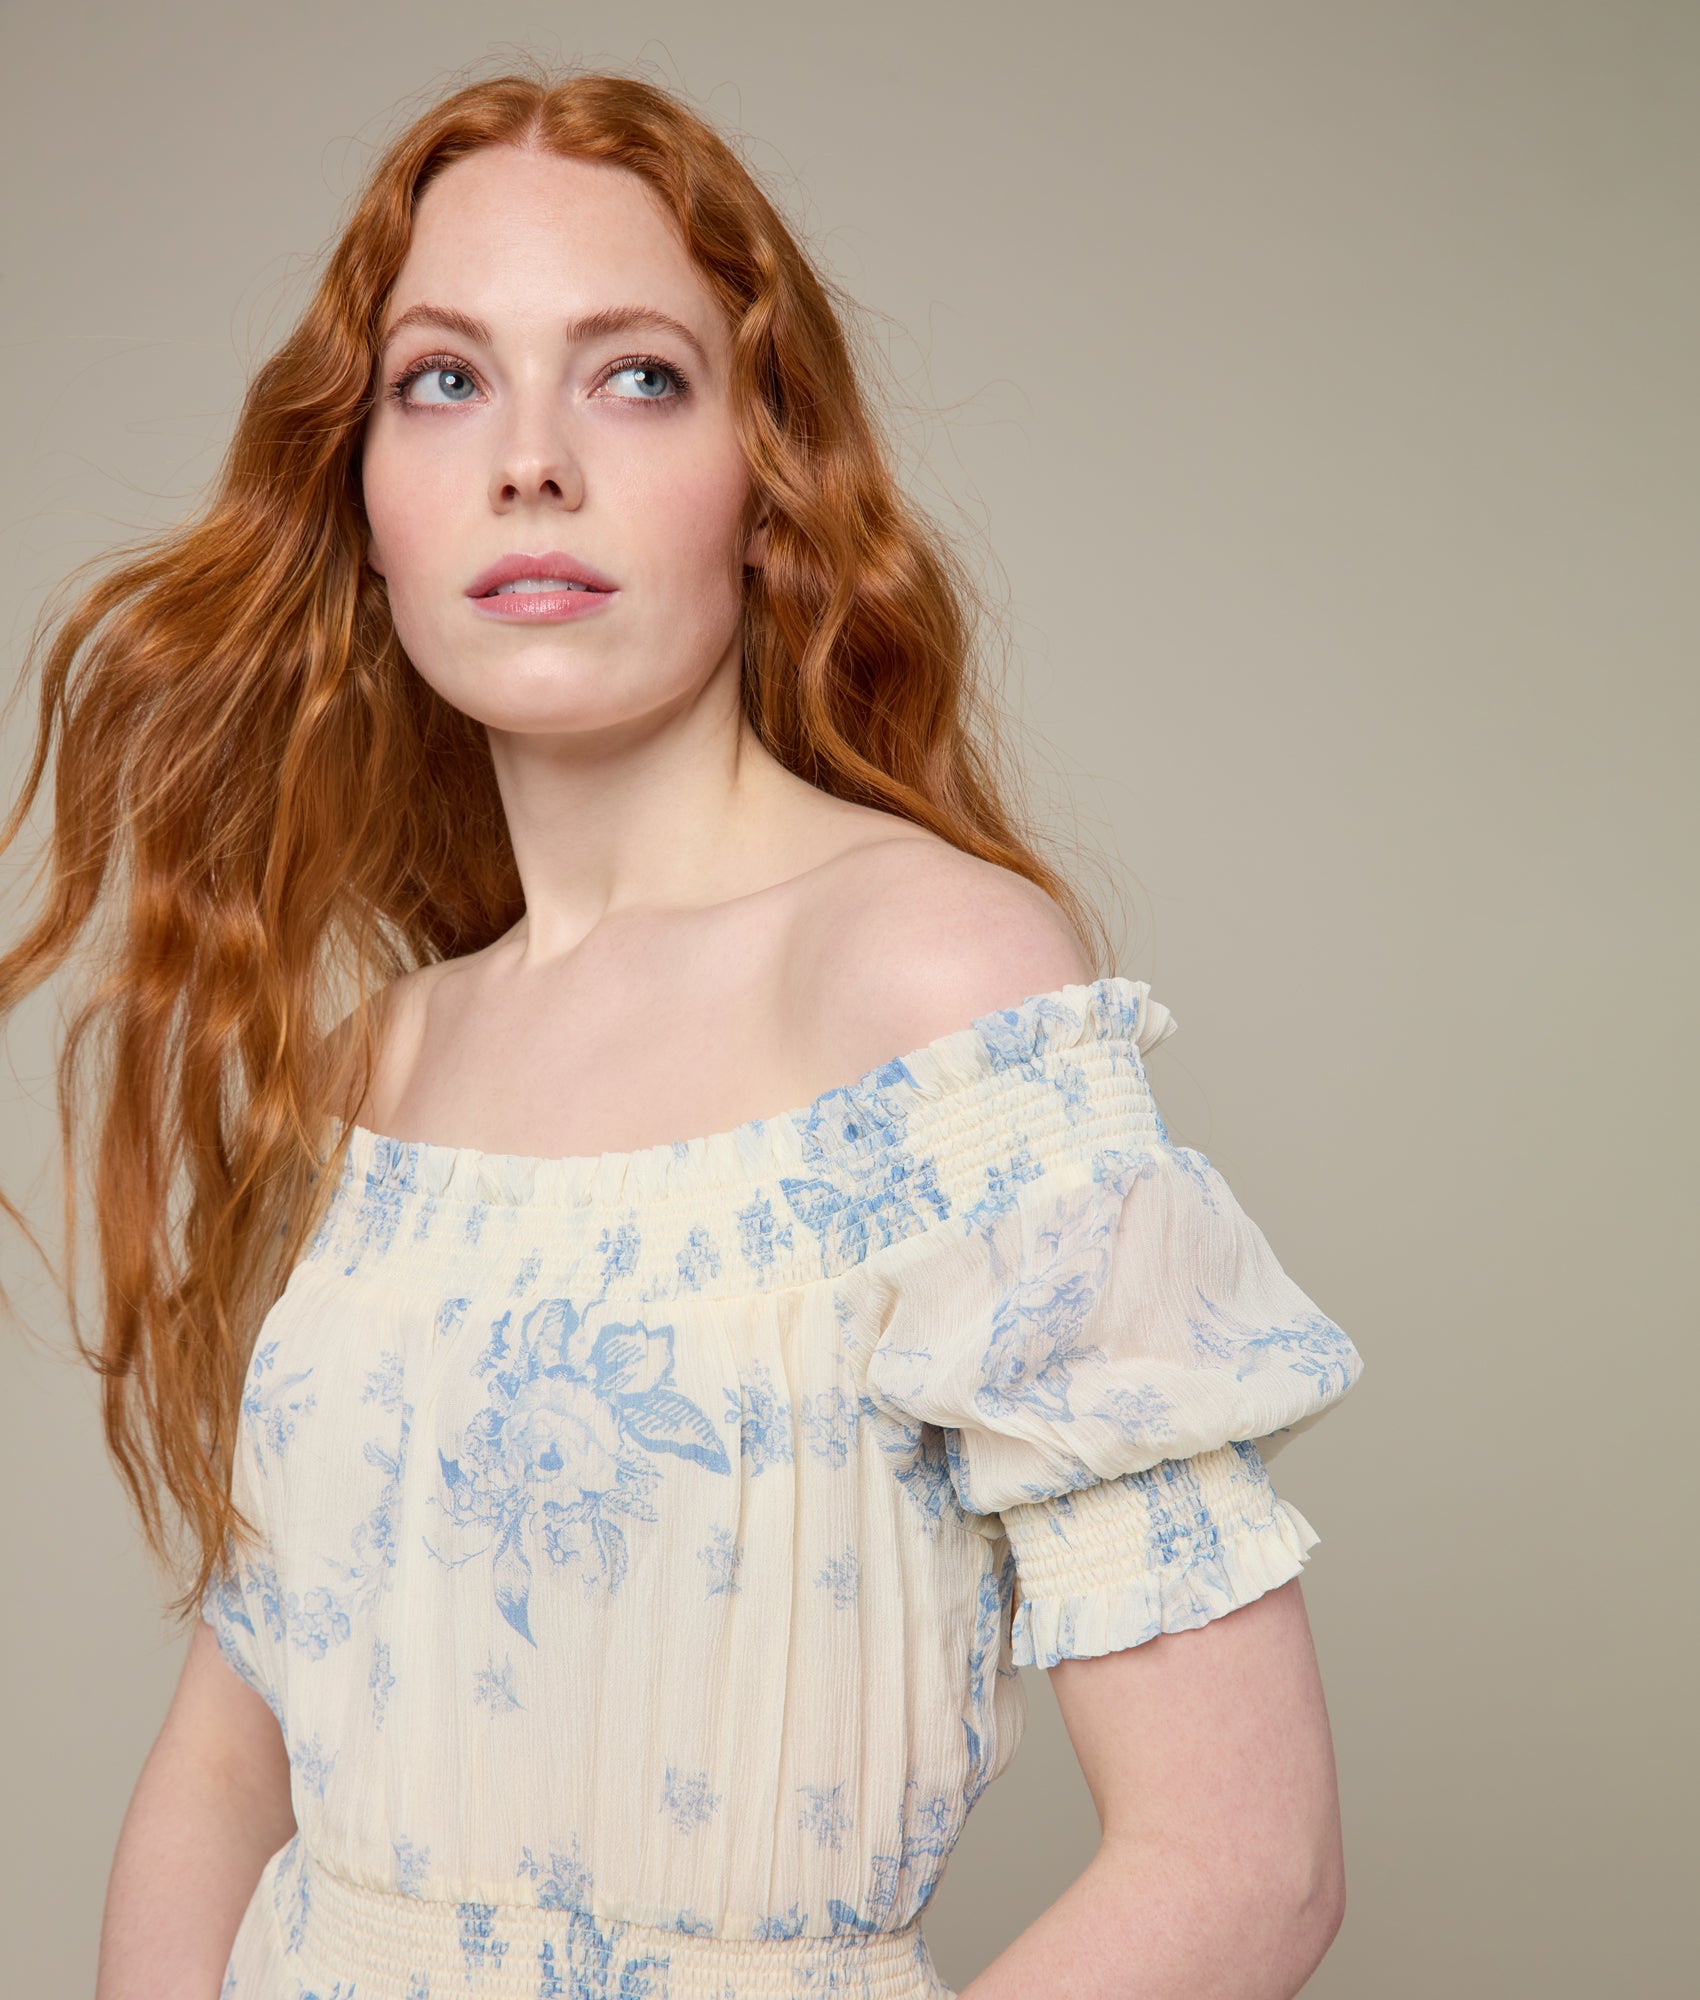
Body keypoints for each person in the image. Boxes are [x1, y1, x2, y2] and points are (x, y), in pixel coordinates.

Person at [3, 63, 1365, 2000]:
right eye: (443, 379)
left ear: (764, 478)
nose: (530, 460)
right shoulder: (383, 1062)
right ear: (362, 501)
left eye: (636, 376)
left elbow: (1244, 1861)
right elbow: (226, 1775)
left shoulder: (934, 987)